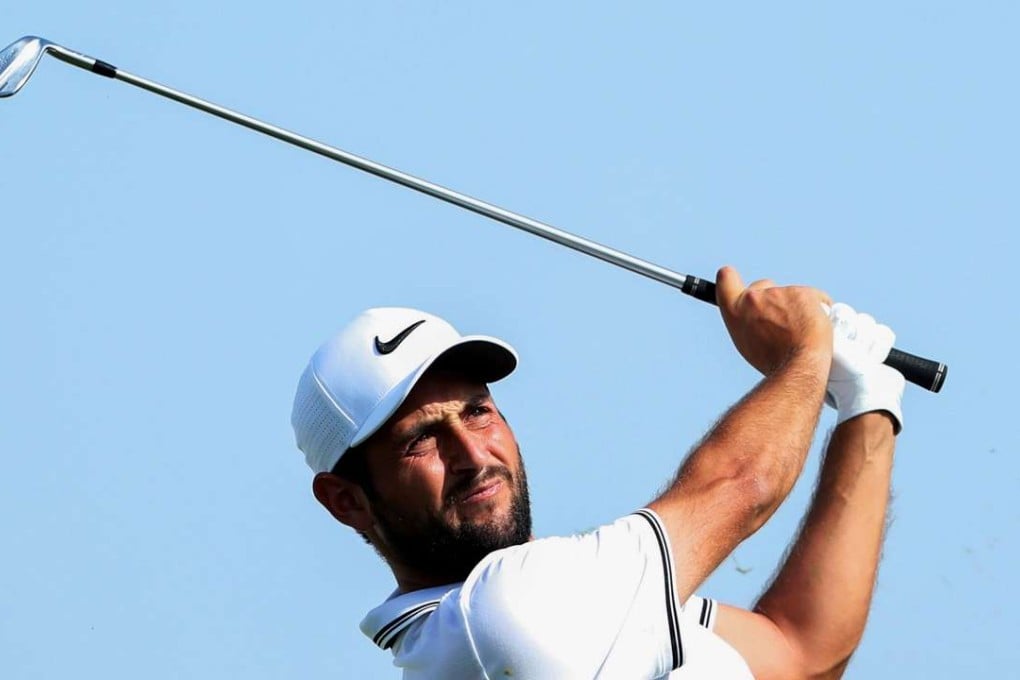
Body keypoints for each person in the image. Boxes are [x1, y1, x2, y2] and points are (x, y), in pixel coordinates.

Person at [291, 266, 905, 679]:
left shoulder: (597, 605)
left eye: (478, 412)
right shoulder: (496, 621)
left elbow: (800, 650)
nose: (474, 455)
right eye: (421, 440)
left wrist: (867, 405)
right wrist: (804, 351)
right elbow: (741, 484)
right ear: (346, 501)